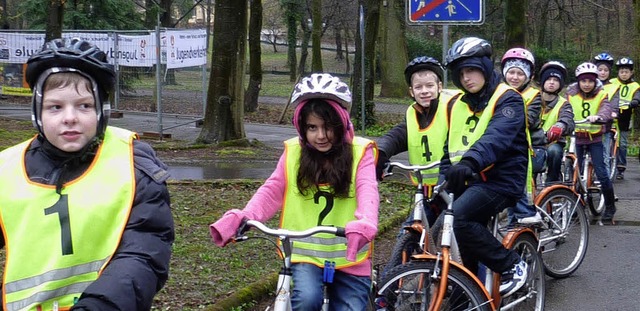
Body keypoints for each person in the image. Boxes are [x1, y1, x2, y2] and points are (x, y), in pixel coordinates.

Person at [0, 38, 174, 310]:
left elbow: (144, 253)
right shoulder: (5, 169)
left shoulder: (133, 165)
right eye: (55, 107)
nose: (70, 117)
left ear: (101, 111)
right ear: (37, 112)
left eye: (84, 106)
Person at [209, 73, 379, 310]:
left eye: (328, 127)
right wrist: (245, 216)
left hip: (350, 256)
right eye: (312, 127)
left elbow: (368, 189)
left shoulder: (361, 152)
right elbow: (272, 189)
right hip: (304, 255)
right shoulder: (294, 153)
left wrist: (366, 221)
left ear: (342, 124)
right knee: (306, 299)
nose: (320, 136)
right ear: (301, 127)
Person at [441, 37, 529, 297]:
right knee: (444, 226)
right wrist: (445, 176)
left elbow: (496, 138)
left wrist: (469, 162)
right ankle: (468, 295)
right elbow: (450, 146)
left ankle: (513, 265)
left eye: (472, 70)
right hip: (469, 180)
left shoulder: (508, 99)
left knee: (459, 218)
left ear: (485, 67)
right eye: (461, 73)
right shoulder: (457, 103)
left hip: (501, 181)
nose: (466, 78)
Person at [376, 56, 461, 224]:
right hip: (426, 187)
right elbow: (398, 135)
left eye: (429, 86)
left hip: (452, 184)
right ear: (411, 91)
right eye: (418, 87)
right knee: (411, 229)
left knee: (453, 229)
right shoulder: (412, 113)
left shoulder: (453, 108)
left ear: (440, 87)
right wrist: (380, 151)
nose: (424, 91)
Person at [565, 62, 617, 223]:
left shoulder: (601, 94)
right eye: (583, 81)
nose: (587, 84)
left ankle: (609, 205)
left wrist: (599, 117)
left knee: (601, 172)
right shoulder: (570, 94)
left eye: (590, 81)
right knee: (573, 172)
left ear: (595, 82)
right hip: (577, 138)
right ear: (578, 81)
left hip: (594, 138)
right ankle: (575, 206)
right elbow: (564, 108)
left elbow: (606, 108)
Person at [500, 47, 543, 225]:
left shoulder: (534, 96)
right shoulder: (498, 92)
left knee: (519, 192)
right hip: (502, 146)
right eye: (511, 72)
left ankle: (523, 229)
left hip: (527, 148)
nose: (515, 77)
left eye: (520, 73)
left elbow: (529, 120)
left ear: (528, 77)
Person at [538, 61, 575, 183]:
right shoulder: (532, 99)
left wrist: (560, 126)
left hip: (553, 142)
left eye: (556, 80)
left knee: (554, 152)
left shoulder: (564, 104)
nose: (552, 82)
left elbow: (568, 119)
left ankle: (552, 182)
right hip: (532, 141)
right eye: (549, 79)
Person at [609, 57, 640, 180]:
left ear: (631, 72)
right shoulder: (611, 83)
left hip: (626, 116)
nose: (624, 74)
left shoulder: (635, 86)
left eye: (626, 72)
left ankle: (621, 167)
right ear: (618, 72)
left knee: (622, 143)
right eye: (622, 71)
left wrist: (635, 101)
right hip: (612, 114)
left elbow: (637, 95)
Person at [592, 52, 620, 177]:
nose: (602, 73)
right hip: (587, 125)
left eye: (605, 70)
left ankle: (606, 184)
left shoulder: (614, 87)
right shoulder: (588, 84)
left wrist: (614, 112)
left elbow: (614, 102)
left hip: (604, 126)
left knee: (604, 155)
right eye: (600, 70)